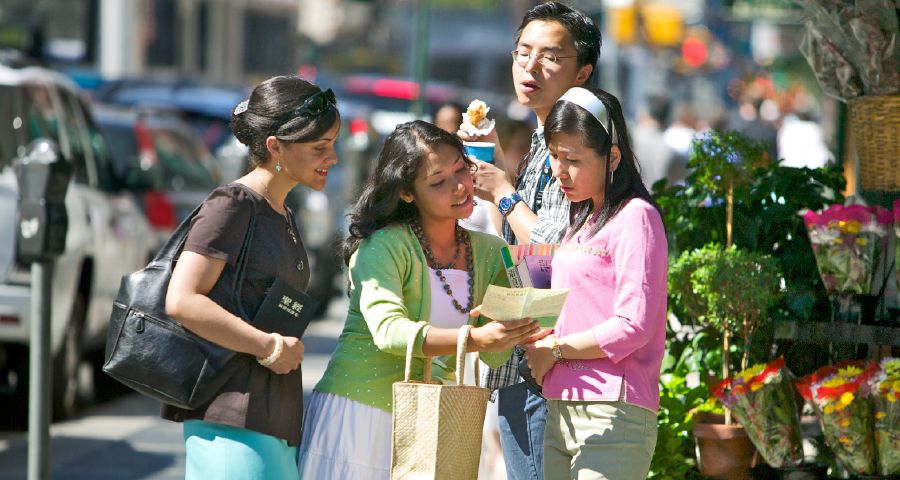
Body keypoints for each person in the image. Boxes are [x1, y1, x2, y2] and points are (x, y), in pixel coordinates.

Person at [297, 120, 541, 479]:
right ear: (407, 193)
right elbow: (389, 331)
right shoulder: (383, 245)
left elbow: (495, 353)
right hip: (359, 415)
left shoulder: (490, 251)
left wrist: (516, 320)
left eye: (462, 169)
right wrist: (473, 338)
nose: (459, 187)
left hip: (432, 424)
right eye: (438, 181)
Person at [162, 75, 340, 480]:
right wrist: (268, 346)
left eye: (332, 143)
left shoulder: (281, 211)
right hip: (228, 416)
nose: (333, 157)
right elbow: (182, 300)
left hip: (271, 416)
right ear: (276, 147)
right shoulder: (233, 204)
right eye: (320, 146)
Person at [458, 3, 602, 479]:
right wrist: (493, 157)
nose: (530, 66)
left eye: (550, 56)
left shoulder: (580, 144)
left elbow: (555, 251)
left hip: (549, 354)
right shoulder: (545, 136)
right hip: (526, 348)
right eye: (522, 52)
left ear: (583, 71)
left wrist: (501, 192)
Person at [524, 86, 667, 479]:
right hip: (560, 408)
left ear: (613, 157)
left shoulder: (636, 217)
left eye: (573, 159)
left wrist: (554, 349)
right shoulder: (580, 222)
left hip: (613, 411)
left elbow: (633, 325)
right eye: (554, 156)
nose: (559, 171)